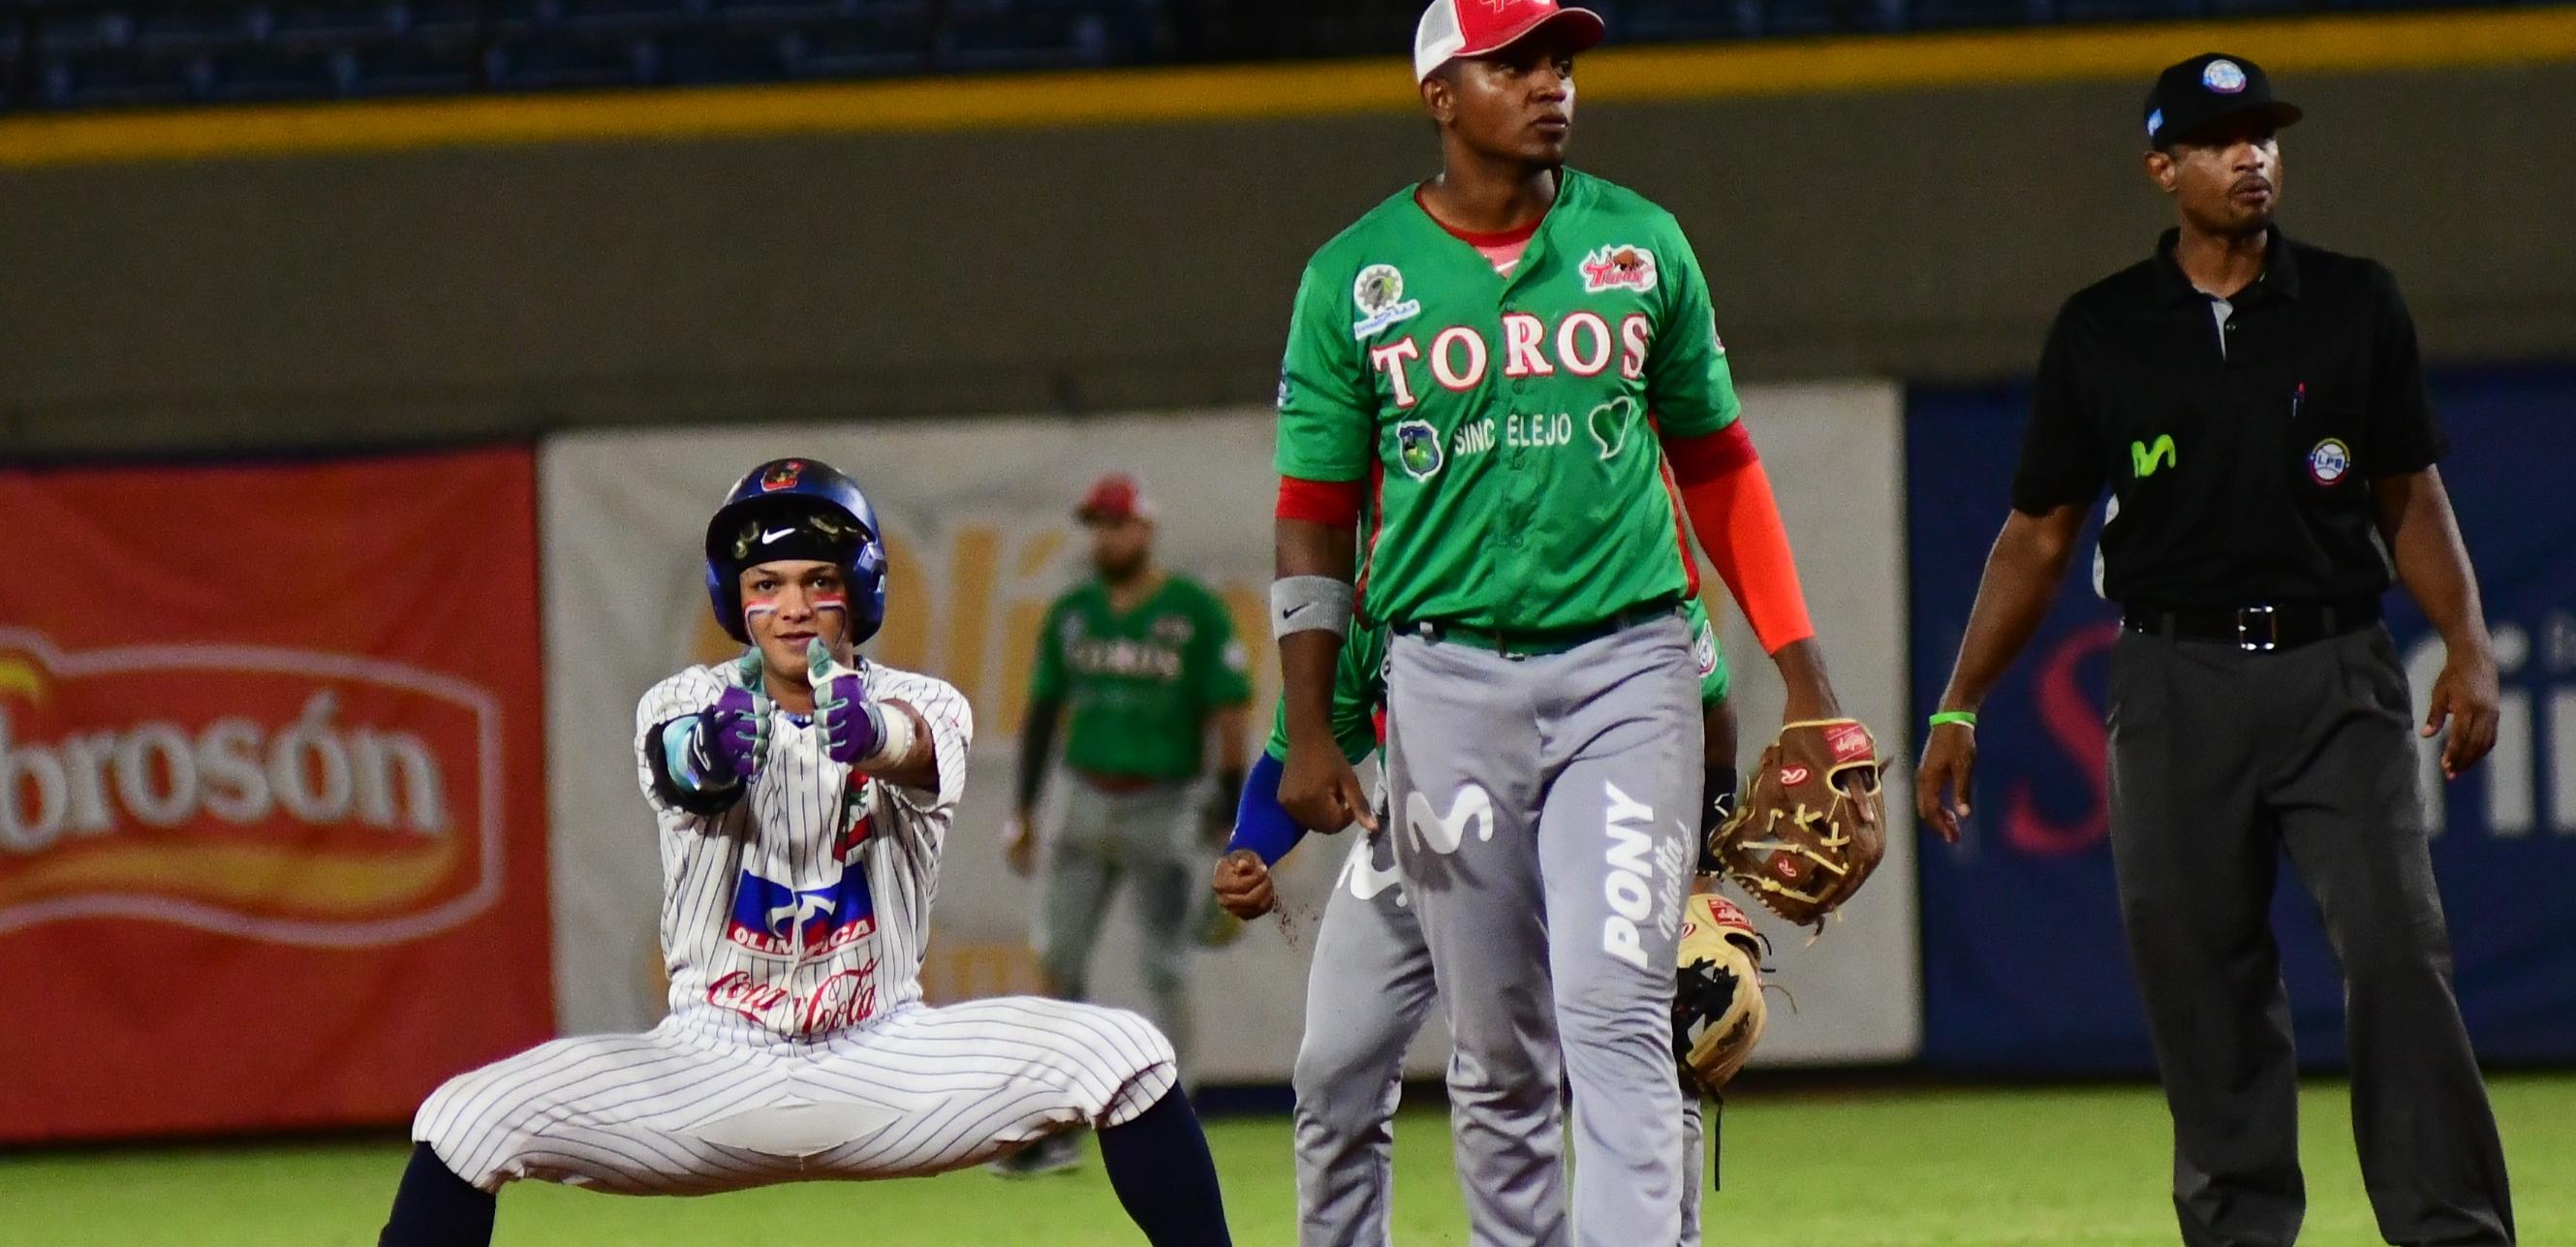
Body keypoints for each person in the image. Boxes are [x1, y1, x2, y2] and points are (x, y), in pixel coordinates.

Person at [1265, 0, 1864, 1241]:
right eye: (1513, 63)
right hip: (1438, 684)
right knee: (1494, 1048)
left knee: (1612, 1002)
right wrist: (1308, 725)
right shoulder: (1352, 281)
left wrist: (1799, 672)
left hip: (1627, 667)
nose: (1550, 83)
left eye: (1560, 61)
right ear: (1440, 95)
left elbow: (1717, 466)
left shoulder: (1638, 245)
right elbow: (1314, 516)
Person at [1911, 54, 2515, 1247]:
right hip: (2173, 681)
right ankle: (2239, 1232)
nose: (2251, 156)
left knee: (2400, 956)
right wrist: (1959, 707)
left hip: (2337, 670)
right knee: (2205, 981)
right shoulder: (2103, 332)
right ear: (2162, 166)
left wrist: (2469, 645)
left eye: (2265, 136)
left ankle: (2452, 1230)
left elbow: (2410, 494)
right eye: (2219, 139)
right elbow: (2036, 537)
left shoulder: (2354, 302)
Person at [377, 458, 1232, 1247]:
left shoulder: (921, 699)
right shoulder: (684, 699)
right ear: (734, 598)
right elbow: (679, 766)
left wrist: (877, 736)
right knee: (466, 1118)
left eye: (818, 581)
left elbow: (921, 747)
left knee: (1126, 1056)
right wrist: (708, 750)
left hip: (885, 1059)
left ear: (856, 591)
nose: (792, 606)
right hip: (708, 1066)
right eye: (766, 583)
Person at [1212, 600, 1741, 1247]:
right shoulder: (1374, 600)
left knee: (1639, 1048)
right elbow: (1290, 758)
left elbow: (1712, 714)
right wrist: (1247, 848)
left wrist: (1698, 874)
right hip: (1424, 825)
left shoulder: (1622, 562)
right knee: (1333, 1067)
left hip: (1587, 824)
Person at [999, 472, 1253, 1175]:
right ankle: (1052, 1125)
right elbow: (1045, 709)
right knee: (1058, 959)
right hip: (1083, 795)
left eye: (1118, 524)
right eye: (1098, 525)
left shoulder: (1193, 610)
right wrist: (1023, 807)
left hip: (1164, 803)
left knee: (1165, 965)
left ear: (1147, 529)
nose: (1106, 537)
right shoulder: (1074, 610)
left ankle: (1178, 1119)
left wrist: (1230, 813)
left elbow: (1228, 711)